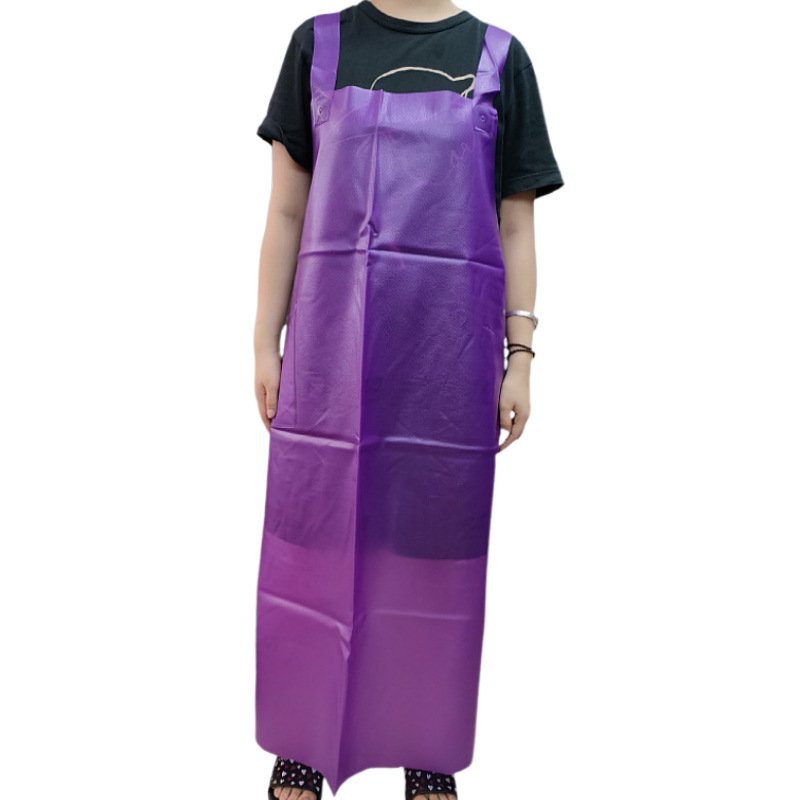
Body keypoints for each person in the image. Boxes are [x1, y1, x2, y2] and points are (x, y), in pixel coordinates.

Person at [252, 2, 563, 799]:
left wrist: (521, 356)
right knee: (316, 543)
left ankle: (426, 738)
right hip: (331, 353)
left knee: (431, 553)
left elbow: (516, 224)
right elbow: (286, 208)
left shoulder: (499, 58)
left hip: (445, 362)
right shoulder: (319, 45)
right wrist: (264, 341)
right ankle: (304, 738)